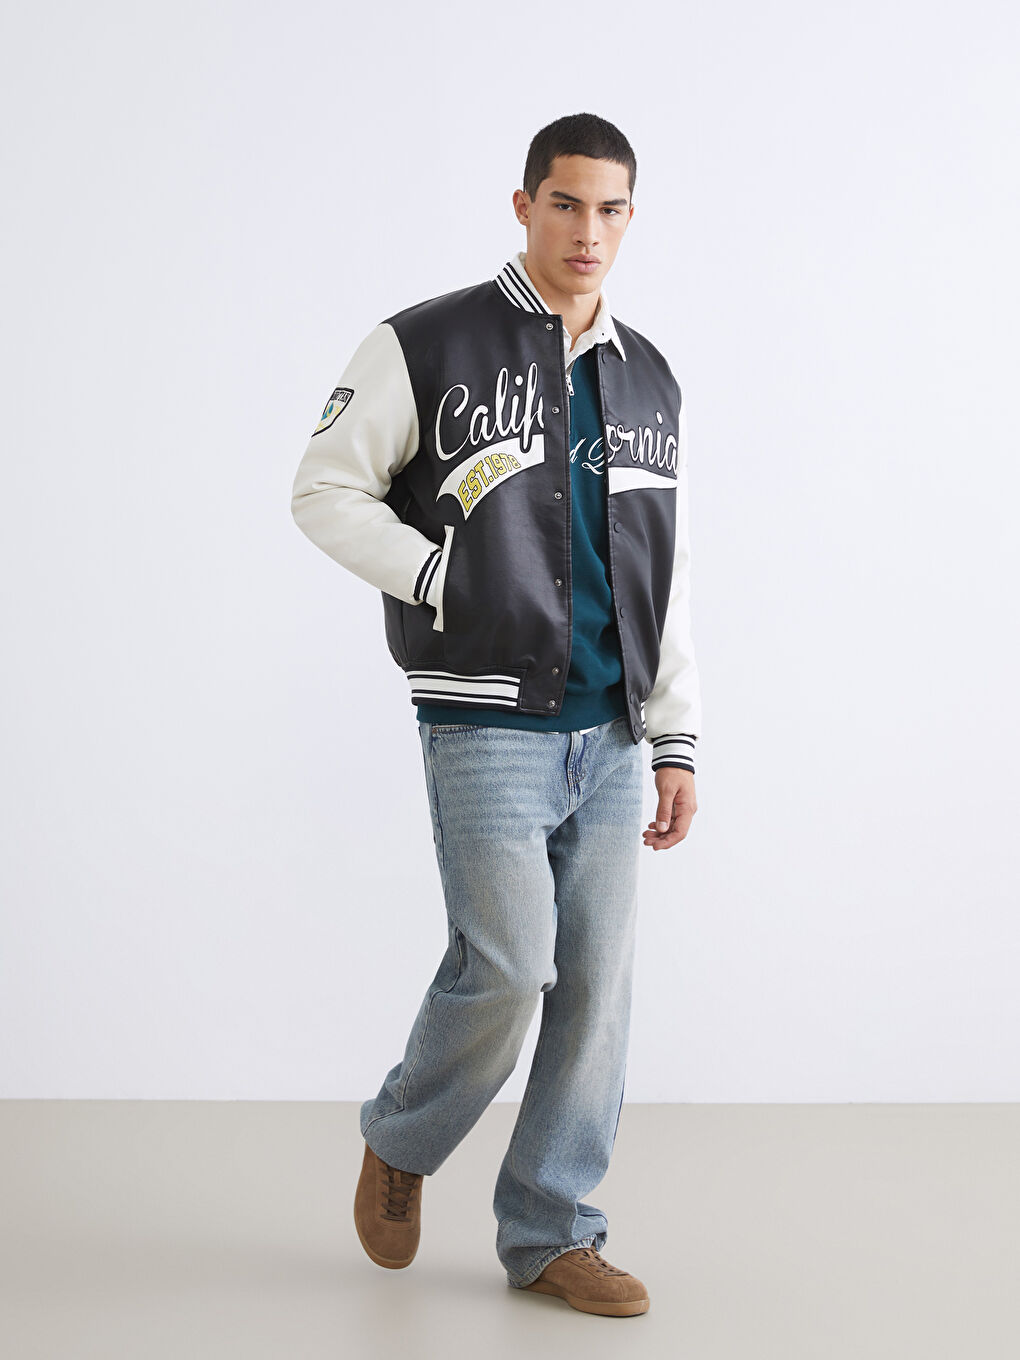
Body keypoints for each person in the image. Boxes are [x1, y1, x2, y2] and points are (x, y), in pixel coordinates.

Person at [290, 111, 702, 1319]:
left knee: (597, 991)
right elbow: (324, 488)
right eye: (565, 203)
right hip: (485, 717)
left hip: (612, 729)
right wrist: (438, 576)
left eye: (610, 208)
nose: (588, 230)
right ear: (524, 206)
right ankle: (402, 1137)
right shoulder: (425, 343)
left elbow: (664, 570)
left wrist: (674, 735)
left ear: (631, 217)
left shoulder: (650, 376)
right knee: (512, 964)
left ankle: (552, 1229)